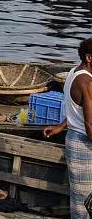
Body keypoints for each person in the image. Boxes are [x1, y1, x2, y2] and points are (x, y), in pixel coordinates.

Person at [42, 37, 92, 219]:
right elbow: (89, 126)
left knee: (80, 199)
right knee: (84, 205)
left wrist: (61, 125)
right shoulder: (86, 82)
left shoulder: (73, 72)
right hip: (84, 146)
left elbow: (75, 108)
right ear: (89, 57)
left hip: (73, 136)